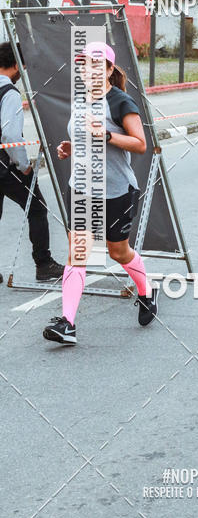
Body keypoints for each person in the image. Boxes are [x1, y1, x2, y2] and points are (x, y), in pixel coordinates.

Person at [43, 42, 158, 346]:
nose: (88, 70)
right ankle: (67, 322)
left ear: (108, 70)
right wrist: (70, 148)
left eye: (96, 65)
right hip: (82, 188)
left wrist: (105, 135)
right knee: (78, 253)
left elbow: (140, 144)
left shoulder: (120, 102)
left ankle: (146, 290)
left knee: (118, 251)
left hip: (116, 190)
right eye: (83, 65)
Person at [0, 41, 64, 284]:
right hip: (6, 166)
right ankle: (44, 263)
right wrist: (23, 165)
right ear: (16, 64)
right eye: (23, 67)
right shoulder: (9, 93)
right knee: (37, 208)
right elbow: (11, 136)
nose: (22, 73)